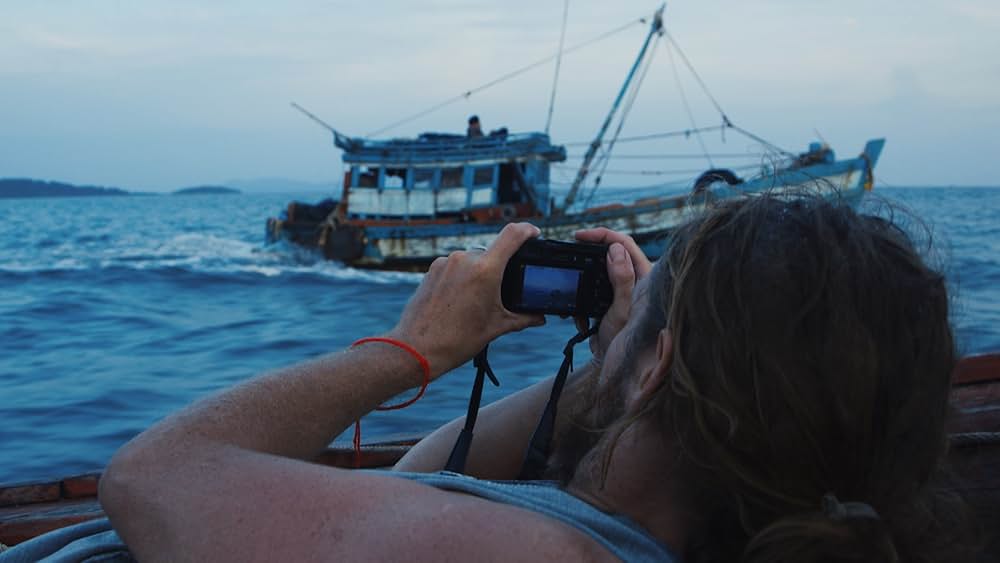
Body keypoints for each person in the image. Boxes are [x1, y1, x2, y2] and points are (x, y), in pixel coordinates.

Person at [97, 194, 974, 562]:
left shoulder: (532, 554)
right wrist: (615, 369)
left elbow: (149, 476)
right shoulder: (649, 530)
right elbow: (414, 488)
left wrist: (410, 350)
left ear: (659, 365)